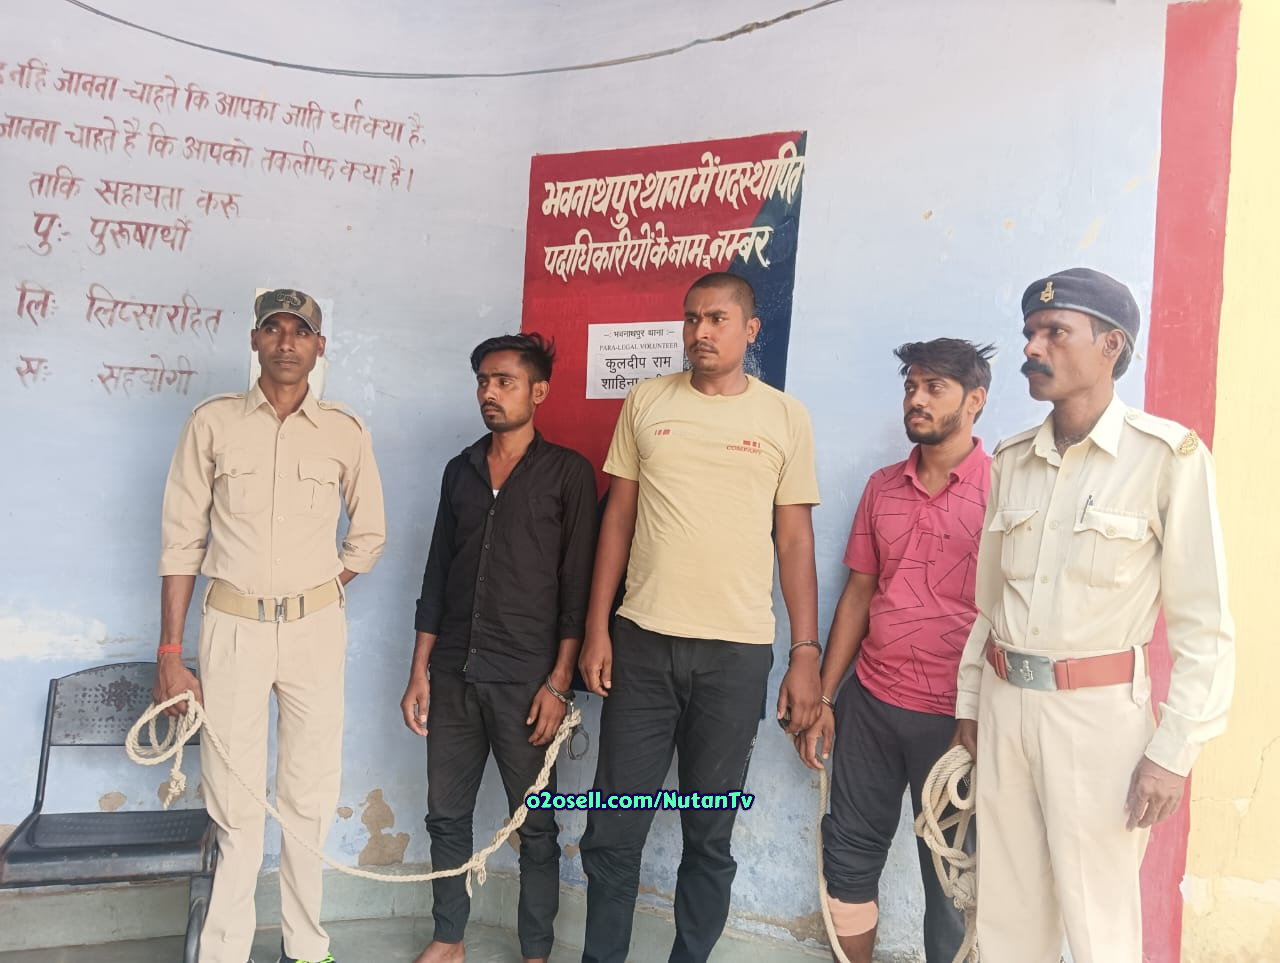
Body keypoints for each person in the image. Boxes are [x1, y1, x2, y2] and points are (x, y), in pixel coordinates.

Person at [952, 268, 1235, 963]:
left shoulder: (1166, 458)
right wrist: (971, 704)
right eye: (1030, 332)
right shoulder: (1013, 459)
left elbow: (1204, 626)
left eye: (1055, 332)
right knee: (1008, 918)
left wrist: (1172, 752)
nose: (1033, 347)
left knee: (1098, 923)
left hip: (1099, 719)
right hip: (1006, 706)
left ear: (1112, 345)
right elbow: (991, 603)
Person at [577, 272, 822, 963]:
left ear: (751, 329)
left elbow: (795, 540)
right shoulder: (647, 401)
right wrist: (597, 628)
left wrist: (805, 650)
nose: (700, 332)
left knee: (709, 834)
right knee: (613, 828)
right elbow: (617, 520)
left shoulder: (784, 417)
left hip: (735, 656)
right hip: (642, 644)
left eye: (716, 318)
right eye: (691, 318)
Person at [153, 288, 387, 963]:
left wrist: (321, 589)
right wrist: (170, 651)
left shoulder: (344, 430)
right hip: (232, 626)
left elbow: (369, 535)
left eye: (300, 331)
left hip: (314, 629)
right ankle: (224, 950)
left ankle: (306, 947)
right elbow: (180, 543)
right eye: (274, 329)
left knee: (309, 794)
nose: (287, 342)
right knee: (233, 797)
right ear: (255, 340)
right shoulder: (213, 423)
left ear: (320, 346)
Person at [796, 339, 994, 963]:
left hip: (957, 720)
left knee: (951, 877)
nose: (916, 399)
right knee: (848, 860)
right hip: (872, 705)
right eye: (911, 386)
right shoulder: (883, 488)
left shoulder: (1008, 491)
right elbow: (859, 593)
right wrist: (827, 697)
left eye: (934, 388)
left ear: (975, 401)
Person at [401, 333, 597, 963]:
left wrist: (560, 682)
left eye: (504, 381)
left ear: (539, 391)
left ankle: (535, 951)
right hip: (453, 673)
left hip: (528, 682)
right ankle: (448, 938)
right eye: (483, 381)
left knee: (535, 827)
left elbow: (577, 586)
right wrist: (419, 672)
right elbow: (436, 575)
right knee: (445, 816)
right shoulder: (459, 470)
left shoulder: (567, 474)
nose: (489, 392)